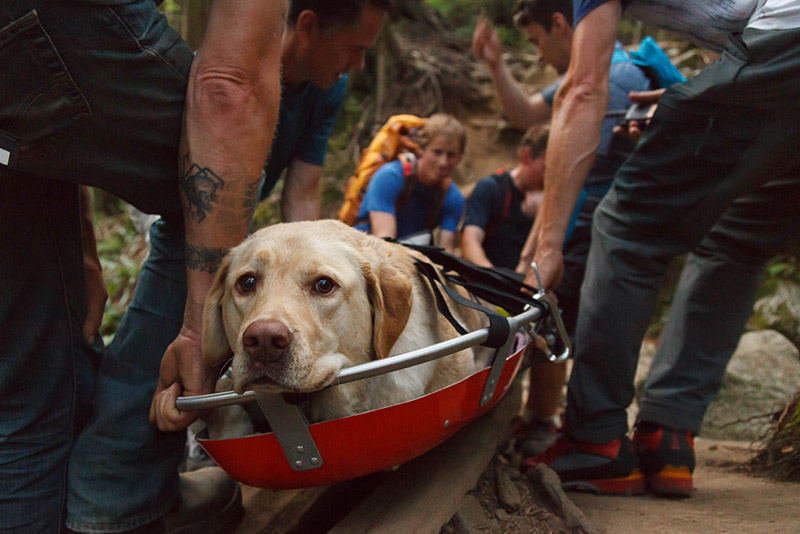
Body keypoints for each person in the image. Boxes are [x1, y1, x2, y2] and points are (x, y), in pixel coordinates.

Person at [519, 0, 800, 498]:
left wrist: (548, 246)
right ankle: (667, 434)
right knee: (737, 240)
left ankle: (595, 439)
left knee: (627, 227)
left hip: (784, 40)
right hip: (776, 61)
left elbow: (583, 90)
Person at [471, 0, 652, 456]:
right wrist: (495, 65)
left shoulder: (611, 78)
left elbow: (568, 172)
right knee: (556, 314)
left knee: (557, 316)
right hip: (592, 224)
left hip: (602, 226)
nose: (536, 55)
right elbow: (526, 114)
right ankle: (546, 420)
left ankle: (559, 427)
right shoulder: (595, 71)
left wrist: (542, 245)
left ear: (559, 24)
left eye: (536, 41)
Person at [460, 126, 565, 456]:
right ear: (527, 157)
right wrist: (495, 284)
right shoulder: (492, 189)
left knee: (554, 324)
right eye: (549, 168)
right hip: (487, 287)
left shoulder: (553, 201)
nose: (552, 177)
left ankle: (542, 418)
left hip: (527, 290)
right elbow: (470, 241)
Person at [355, 113, 467, 253]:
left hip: (407, 258)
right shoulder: (390, 177)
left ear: (459, 157)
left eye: (451, 155)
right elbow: (384, 242)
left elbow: (446, 251)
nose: (443, 162)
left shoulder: (452, 198)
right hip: (366, 254)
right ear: (421, 149)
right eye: (437, 152)